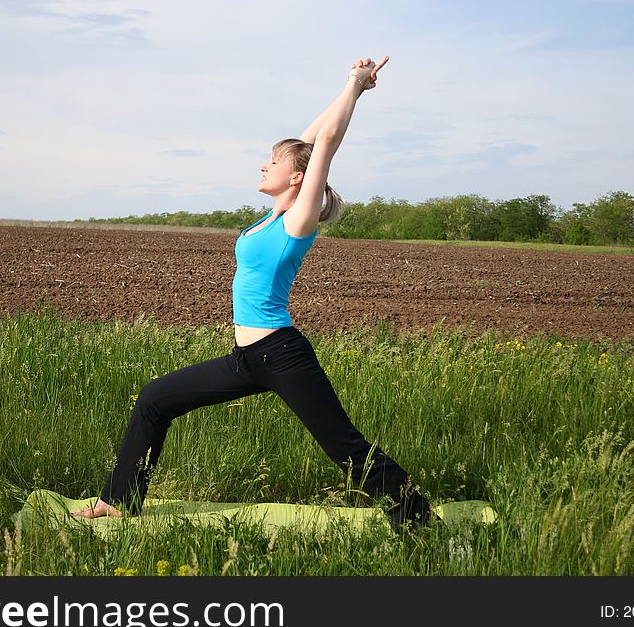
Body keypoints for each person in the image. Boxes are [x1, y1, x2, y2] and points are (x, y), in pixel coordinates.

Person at [72, 56, 432, 529]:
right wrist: (348, 95)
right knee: (155, 399)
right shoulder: (270, 216)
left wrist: (354, 85)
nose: (264, 165)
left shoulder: (297, 222)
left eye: (274, 162)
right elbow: (308, 139)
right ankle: (119, 499)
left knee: (344, 447)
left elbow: (323, 143)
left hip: (281, 355)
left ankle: (418, 519)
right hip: (244, 359)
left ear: (299, 178)